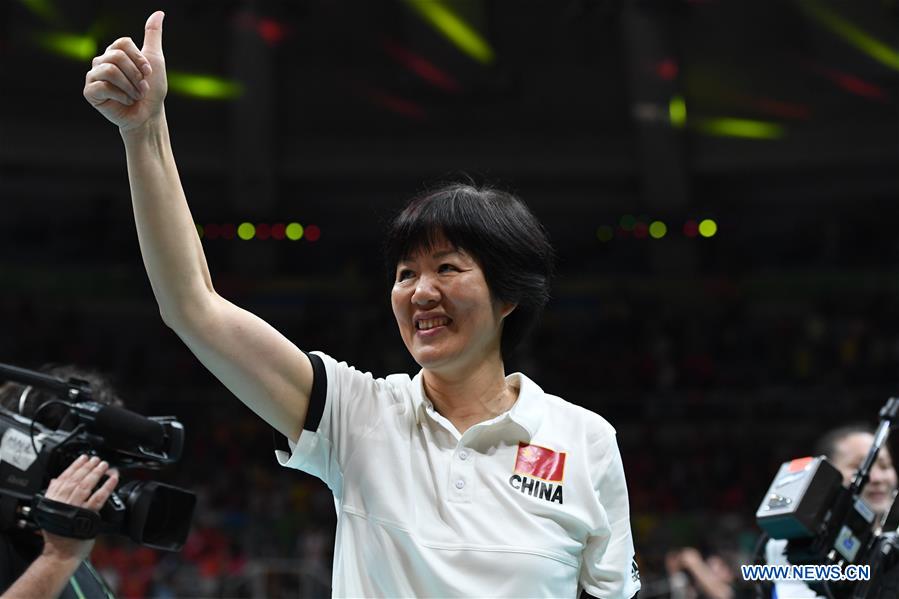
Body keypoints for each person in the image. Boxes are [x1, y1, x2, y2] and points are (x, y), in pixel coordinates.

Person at [82, 11, 641, 597]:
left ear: (508, 296)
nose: (420, 291)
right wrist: (145, 132)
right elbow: (193, 306)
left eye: (447, 268)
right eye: (406, 274)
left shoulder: (585, 441)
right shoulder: (357, 416)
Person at [0, 368, 121, 599]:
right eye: (88, 458)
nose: (110, 476)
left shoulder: (75, 554)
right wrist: (57, 558)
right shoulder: (62, 554)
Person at [763, 425, 898, 599]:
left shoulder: (890, 544)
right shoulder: (792, 544)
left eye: (885, 466)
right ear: (826, 477)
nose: (877, 478)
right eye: (859, 468)